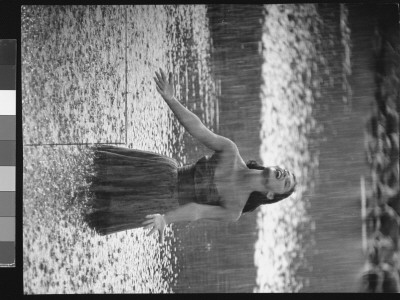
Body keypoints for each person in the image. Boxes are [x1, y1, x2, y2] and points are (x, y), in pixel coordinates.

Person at [84, 68, 297, 243]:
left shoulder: (234, 210)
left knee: (98, 205)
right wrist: (170, 98)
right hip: (160, 173)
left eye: (286, 182)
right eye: (287, 172)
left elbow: (197, 211)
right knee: (94, 173)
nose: (285, 174)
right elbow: (198, 129)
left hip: (159, 202)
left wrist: (165, 219)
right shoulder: (231, 151)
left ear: (271, 195)